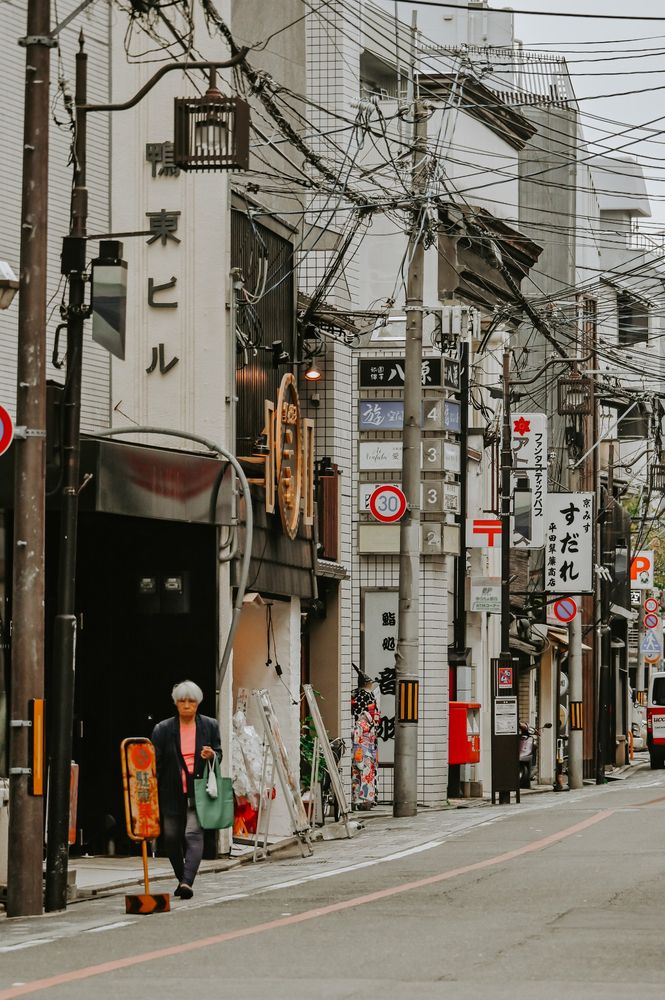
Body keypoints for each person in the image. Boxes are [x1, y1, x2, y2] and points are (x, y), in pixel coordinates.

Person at [151, 680, 221, 899]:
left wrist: (212, 755)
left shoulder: (210, 725)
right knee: (171, 838)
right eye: (183, 701)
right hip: (171, 790)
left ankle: (187, 882)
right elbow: (155, 762)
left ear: (198, 703)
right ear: (176, 703)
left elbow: (219, 752)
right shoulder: (163, 729)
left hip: (199, 790)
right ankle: (183, 878)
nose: (187, 705)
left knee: (193, 834)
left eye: (191, 701)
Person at [350, 665, 381, 810]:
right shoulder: (369, 696)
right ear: (367, 684)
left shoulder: (353, 695)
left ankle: (356, 797)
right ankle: (366, 799)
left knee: (356, 768)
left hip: (356, 736)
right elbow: (375, 717)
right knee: (367, 768)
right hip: (367, 737)